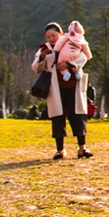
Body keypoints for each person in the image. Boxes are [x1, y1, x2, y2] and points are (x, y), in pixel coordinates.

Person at [33, 21, 93, 160]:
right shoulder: (46, 49)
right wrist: (42, 57)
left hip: (74, 86)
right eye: (48, 37)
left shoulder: (73, 42)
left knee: (78, 116)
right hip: (55, 89)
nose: (51, 39)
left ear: (61, 34)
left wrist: (69, 64)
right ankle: (60, 150)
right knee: (57, 118)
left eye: (53, 35)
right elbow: (36, 68)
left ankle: (82, 148)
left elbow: (84, 56)